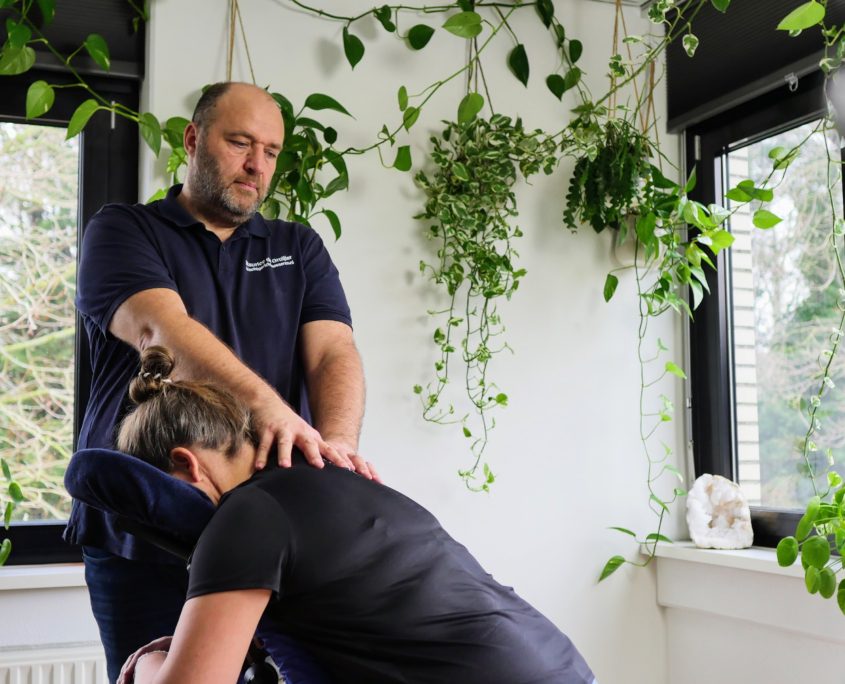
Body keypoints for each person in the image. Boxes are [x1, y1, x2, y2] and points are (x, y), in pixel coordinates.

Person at [65, 81, 375, 682]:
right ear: (193, 140)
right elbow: (163, 331)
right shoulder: (123, 231)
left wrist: (337, 448)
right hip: (141, 533)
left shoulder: (298, 247)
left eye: (272, 151)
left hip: (263, 530)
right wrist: (272, 411)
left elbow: (334, 351)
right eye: (240, 143)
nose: (257, 164)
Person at [114, 346, 596, 684]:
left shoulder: (242, 517)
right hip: (562, 665)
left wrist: (147, 665)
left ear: (184, 463)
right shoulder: (335, 480)